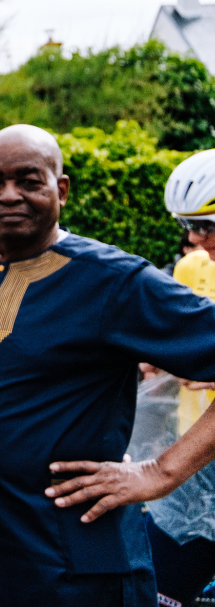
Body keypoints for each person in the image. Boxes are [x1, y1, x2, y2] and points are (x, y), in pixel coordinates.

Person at [0, 124, 215, 606]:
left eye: (28, 180)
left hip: (67, 566)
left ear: (60, 190)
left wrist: (160, 473)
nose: (8, 196)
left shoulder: (113, 281)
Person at [135, 150, 215, 607]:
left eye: (211, 226)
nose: (199, 240)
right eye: (189, 226)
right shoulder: (192, 268)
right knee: (157, 589)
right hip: (199, 457)